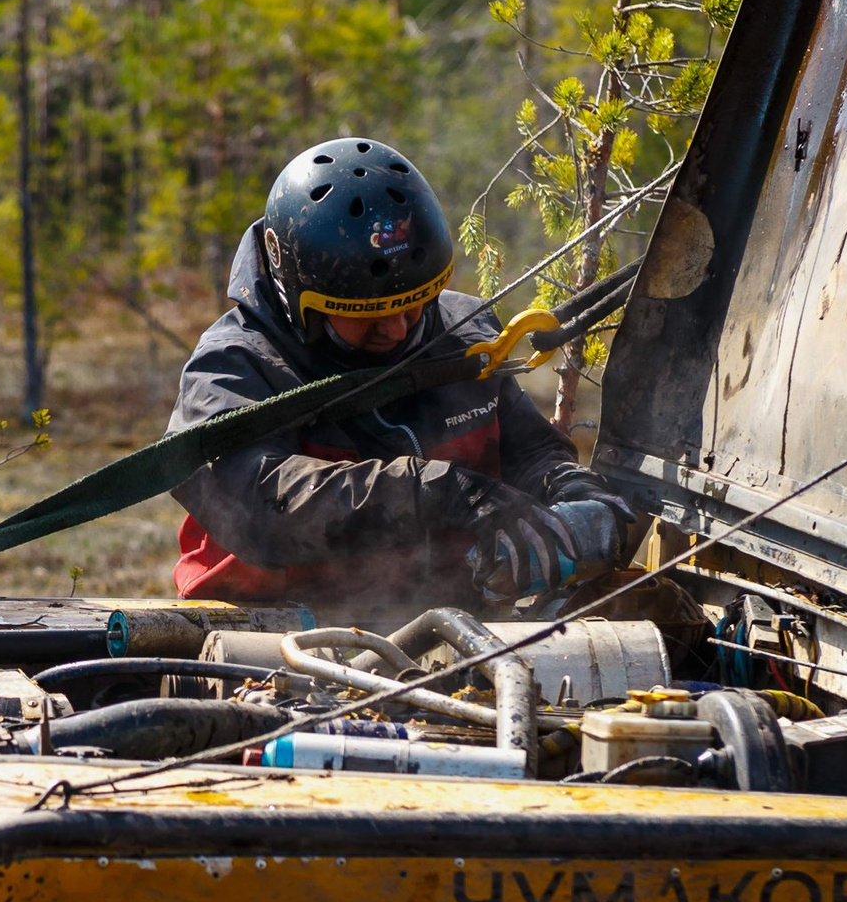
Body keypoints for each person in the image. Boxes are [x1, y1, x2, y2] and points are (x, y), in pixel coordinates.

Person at [169, 137, 634, 617]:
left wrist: (570, 493)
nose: (394, 329)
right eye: (363, 315)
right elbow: (259, 506)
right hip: (272, 633)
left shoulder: (465, 333)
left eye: (415, 305)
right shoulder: (232, 368)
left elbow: (530, 452)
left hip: (449, 623)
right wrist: (436, 491)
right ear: (296, 295)